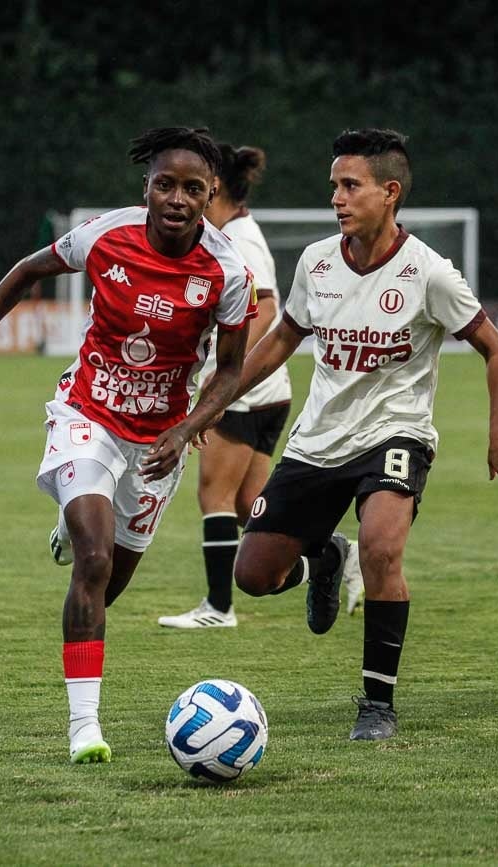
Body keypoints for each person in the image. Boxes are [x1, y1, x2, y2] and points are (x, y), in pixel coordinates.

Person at [0, 127, 257, 764]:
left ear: (211, 197)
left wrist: (184, 430)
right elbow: (27, 270)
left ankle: (75, 526)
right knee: (94, 561)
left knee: (108, 584)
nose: (176, 199)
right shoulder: (107, 234)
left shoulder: (229, 271)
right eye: (164, 184)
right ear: (145, 187)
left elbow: (232, 369)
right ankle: (84, 729)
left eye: (192, 189)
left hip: (159, 443)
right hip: (87, 415)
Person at [229, 128, 498, 741]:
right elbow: (284, 338)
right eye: (334, 186)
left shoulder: (430, 274)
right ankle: (323, 553)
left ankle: (377, 704)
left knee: (384, 548)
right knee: (254, 577)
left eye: (350, 186)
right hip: (317, 440)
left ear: (389, 193)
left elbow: (495, 349)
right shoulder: (316, 262)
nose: (337, 198)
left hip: (397, 434)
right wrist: (218, 399)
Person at [156, 142, 312, 629]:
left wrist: (227, 381)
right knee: (251, 507)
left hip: (248, 393)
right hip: (269, 391)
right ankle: (331, 557)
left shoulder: (240, 239)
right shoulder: (237, 231)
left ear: (214, 187)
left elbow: (265, 308)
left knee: (213, 496)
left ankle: (218, 608)